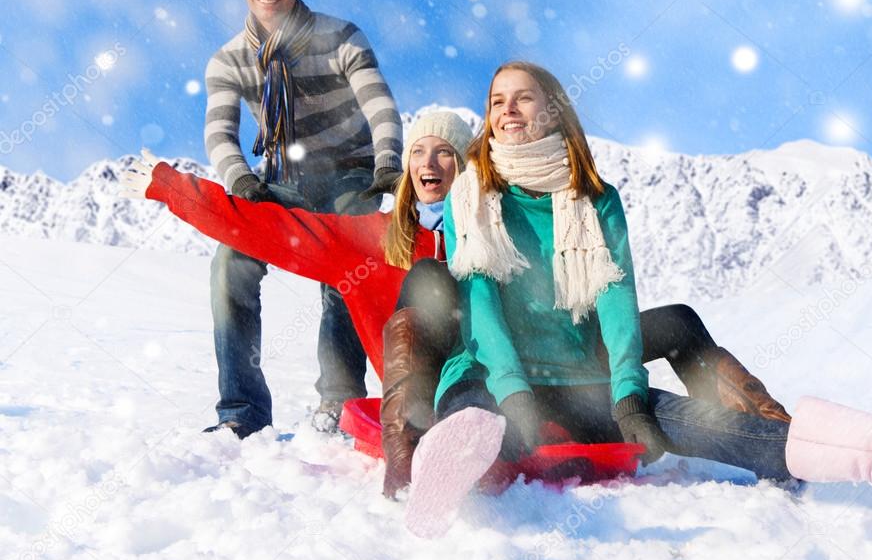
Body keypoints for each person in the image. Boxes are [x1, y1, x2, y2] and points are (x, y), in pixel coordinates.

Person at [403, 62, 872, 538]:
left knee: (709, 423)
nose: (507, 110)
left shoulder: (596, 200)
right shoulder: (471, 195)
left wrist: (628, 394)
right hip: (492, 372)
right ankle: (442, 479)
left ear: (553, 111)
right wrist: (515, 393)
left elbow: (617, 301)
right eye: (497, 101)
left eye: (522, 97)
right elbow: (482, 308)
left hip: (576, 379)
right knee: (473, 414)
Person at [122, 110, 789, 495]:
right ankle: (427, 445)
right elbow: (265, 228)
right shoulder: (371, 241)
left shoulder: (501, 230)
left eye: (448, 151)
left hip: (535, 365)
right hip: (441, 378)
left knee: (677, 322)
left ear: (470, 167)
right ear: (408, 164)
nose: (432, 161)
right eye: (420, 150)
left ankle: (772, 428)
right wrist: (169, 186)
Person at [202, 0, 403, 437]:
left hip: (350, 174)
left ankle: (339, 401)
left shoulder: (341, 37)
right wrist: (242, 180)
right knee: (231, 267)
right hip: (279, 182)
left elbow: (379, 103)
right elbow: (220, 133)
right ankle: (241, 412)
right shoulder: (228, 61)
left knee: (347, 268)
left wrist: (387, 160)